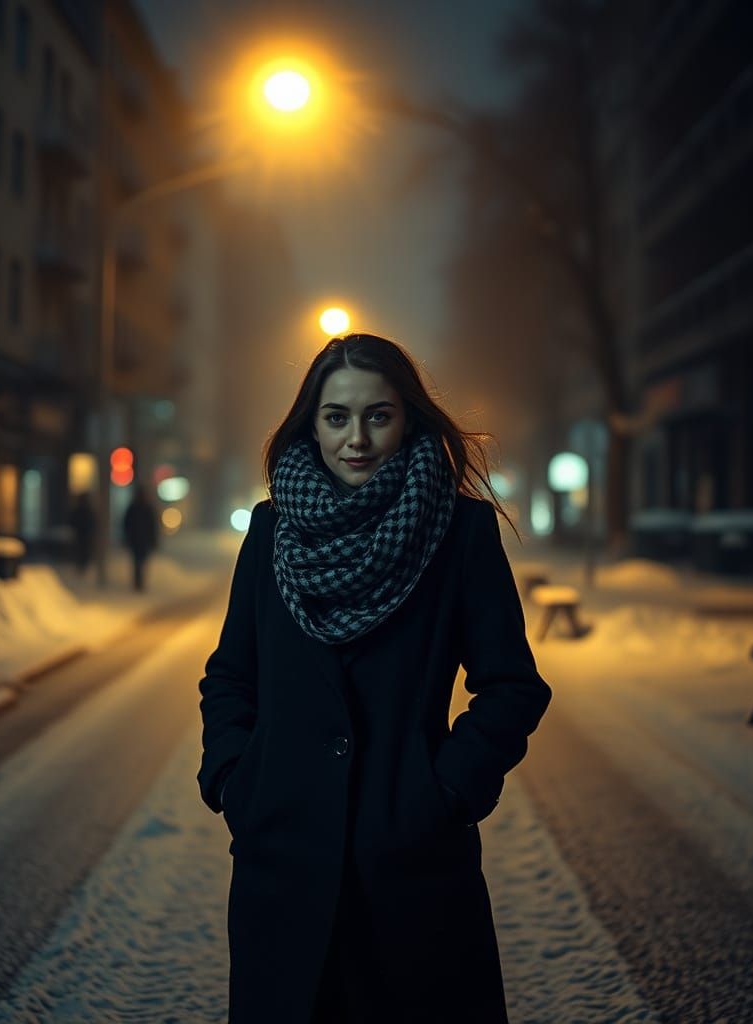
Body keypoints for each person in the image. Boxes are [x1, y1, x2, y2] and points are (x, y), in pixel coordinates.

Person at [197, 333, 552, 1023]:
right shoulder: (272, 532)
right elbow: (230, 675)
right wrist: (234, 778)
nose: (355, 438)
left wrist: (444, 789)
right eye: (336, 416)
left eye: (377, 415)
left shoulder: (460, 533)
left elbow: (513, 685)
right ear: (313, 422)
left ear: (408, 419)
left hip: (412, 869)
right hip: (285, 859)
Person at [122, 483, 159, 591]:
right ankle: (138, 582)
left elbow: (152, 526)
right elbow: (127, 524)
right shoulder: (138, 508)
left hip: (141, 540)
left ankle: (139, 582)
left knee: (140, 562)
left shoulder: (141, 508)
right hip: (138, 541)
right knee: (138, 562)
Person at [68, 491, 96, 575]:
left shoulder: (83, 510)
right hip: (82, 534)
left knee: (82, 551)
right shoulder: (86, 510)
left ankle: (81, 567)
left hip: (82, 534)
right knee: (82, 551)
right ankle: (81, 567)